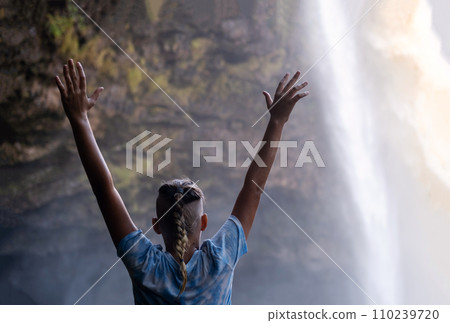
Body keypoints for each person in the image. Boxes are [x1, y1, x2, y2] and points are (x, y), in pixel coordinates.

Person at [55, 59, 309, 304]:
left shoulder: (145, 266)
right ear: (204, 223)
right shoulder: (220, 260)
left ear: (155, 226)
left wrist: (79, 119)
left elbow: (104, 190)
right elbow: (253, 190)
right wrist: (278, 121)